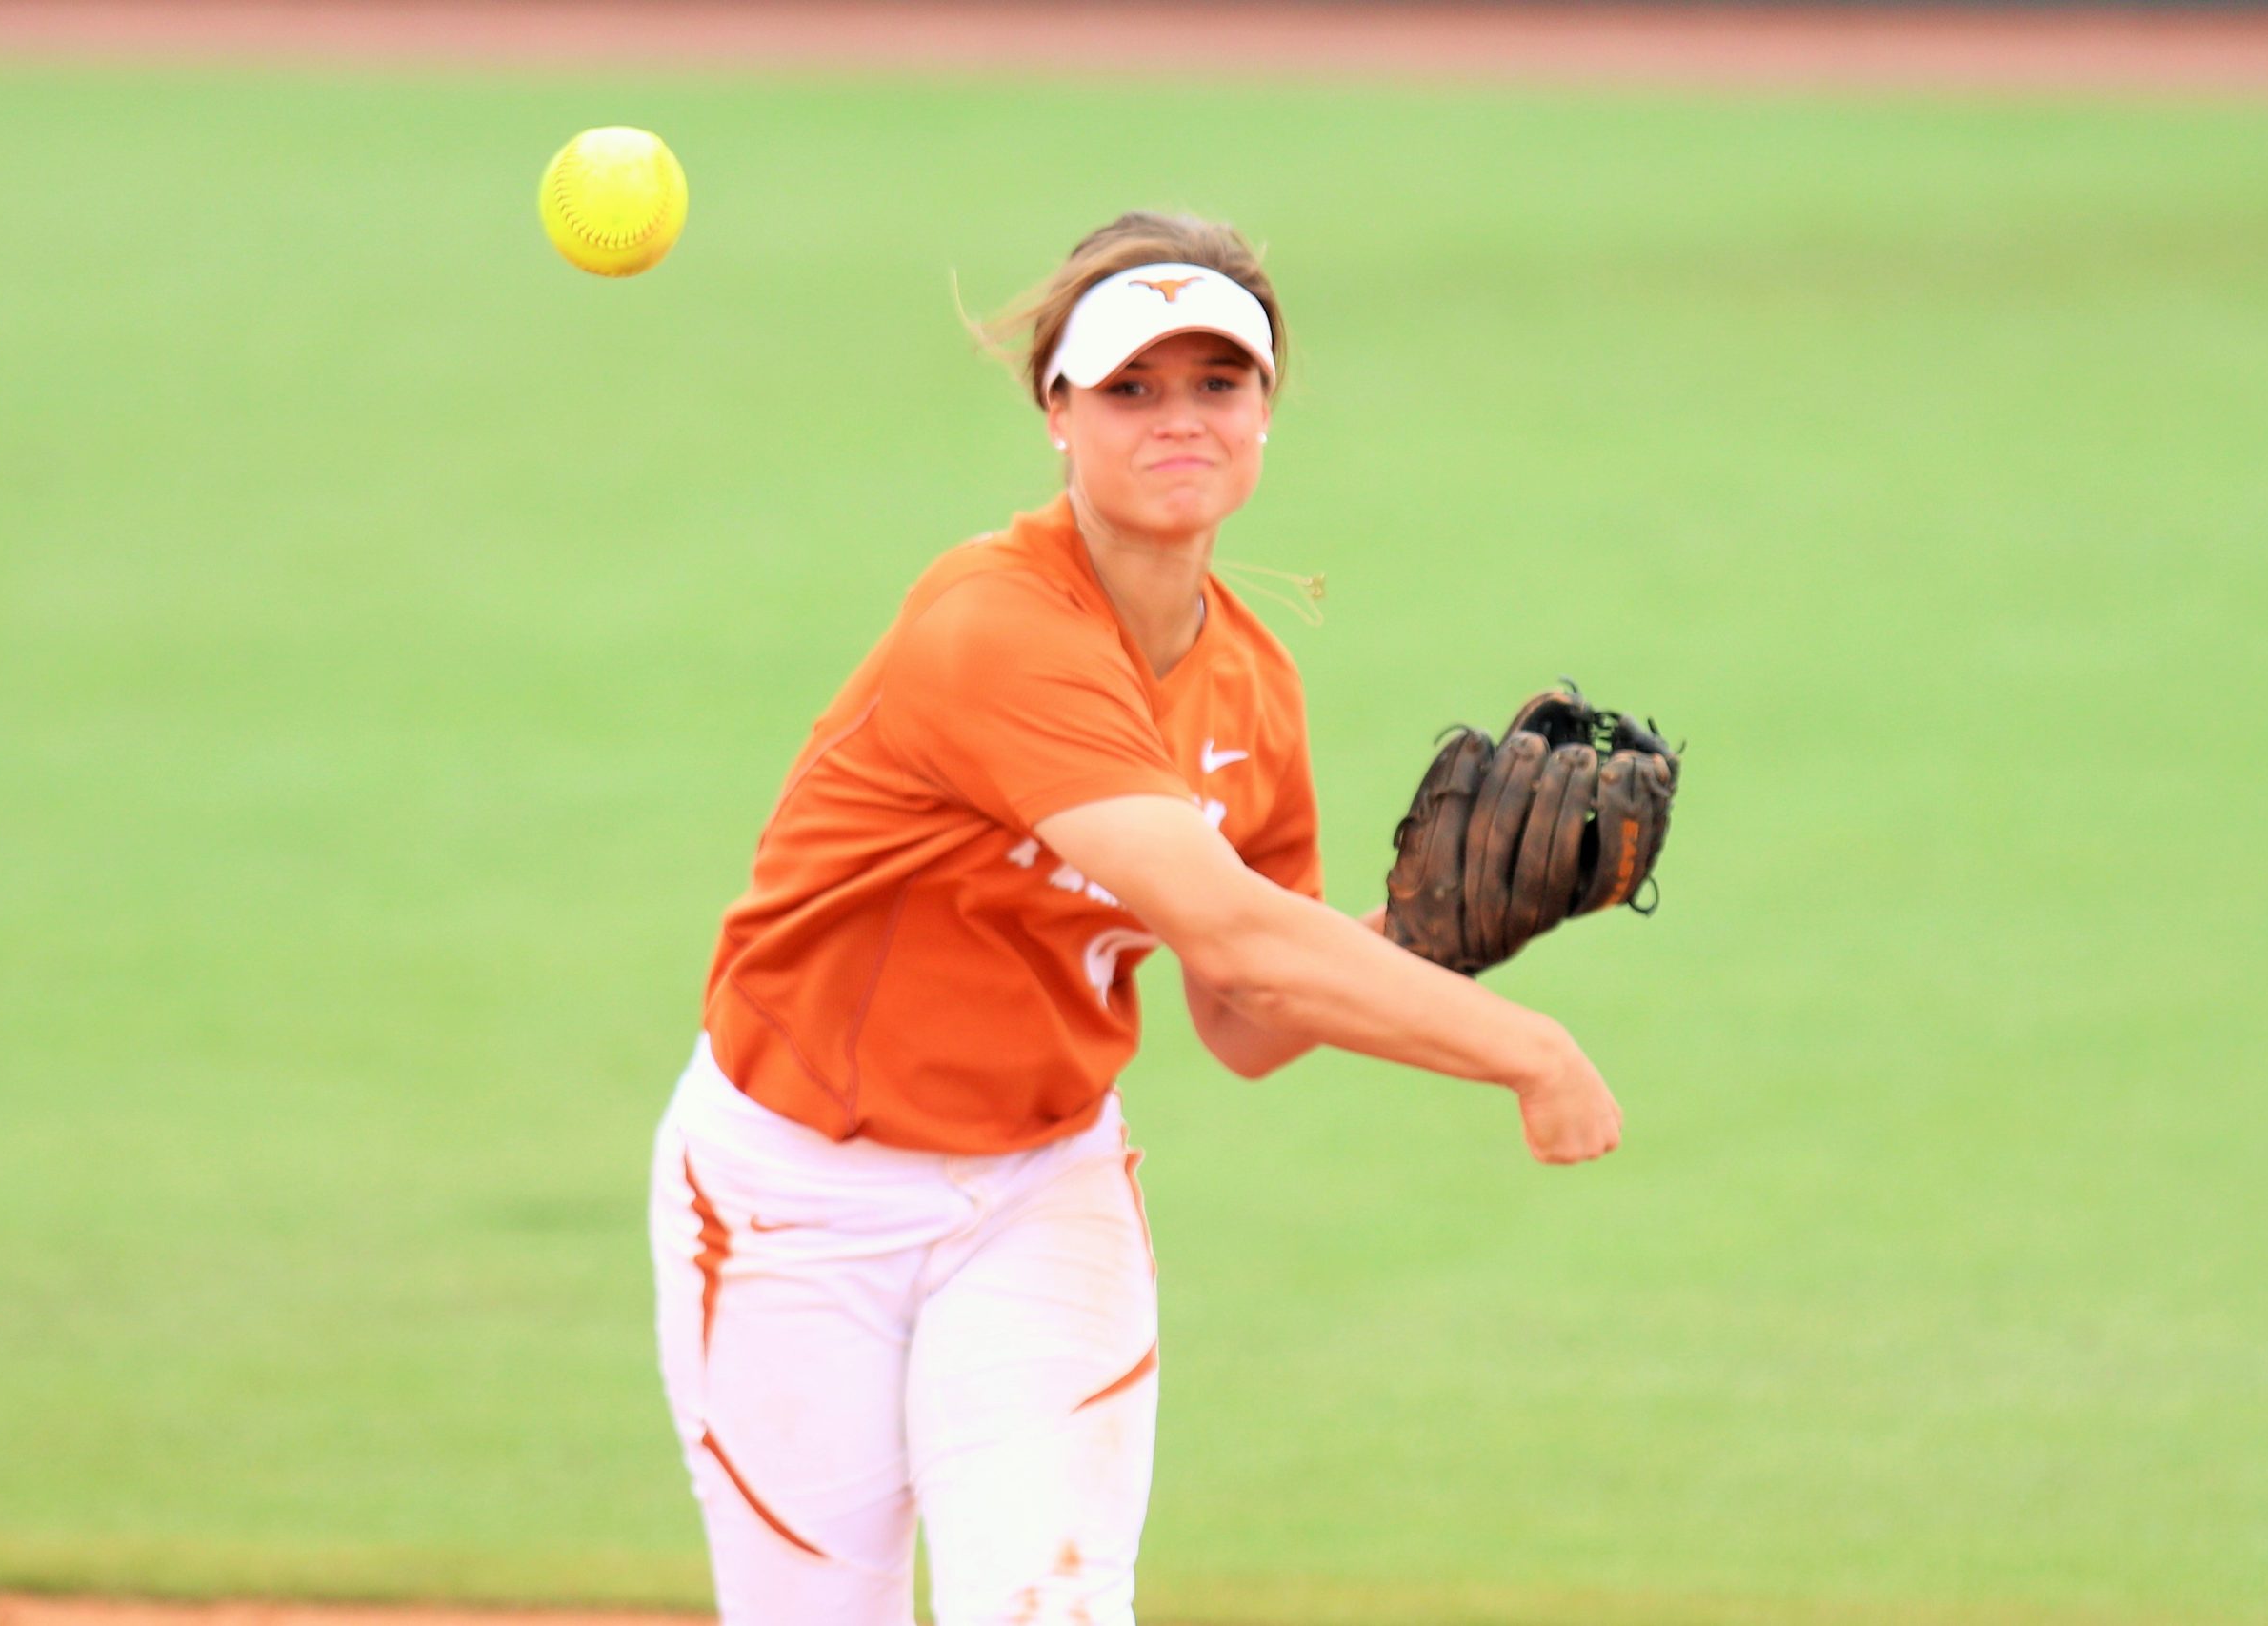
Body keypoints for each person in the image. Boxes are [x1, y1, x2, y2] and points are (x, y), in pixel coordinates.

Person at [647, 210, 1622, 1626]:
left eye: (1217, 383)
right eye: (1131, 387)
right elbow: (1230, 936)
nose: (1180, 417)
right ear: (1058, 412)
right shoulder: (989, 627)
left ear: (1269, 408)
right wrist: (1525, 1046)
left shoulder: (1252, 684)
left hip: (1041, 1191)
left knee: (1055, 1607)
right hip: (791, 1197)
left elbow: (1243, 1016)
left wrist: (1435, 934)